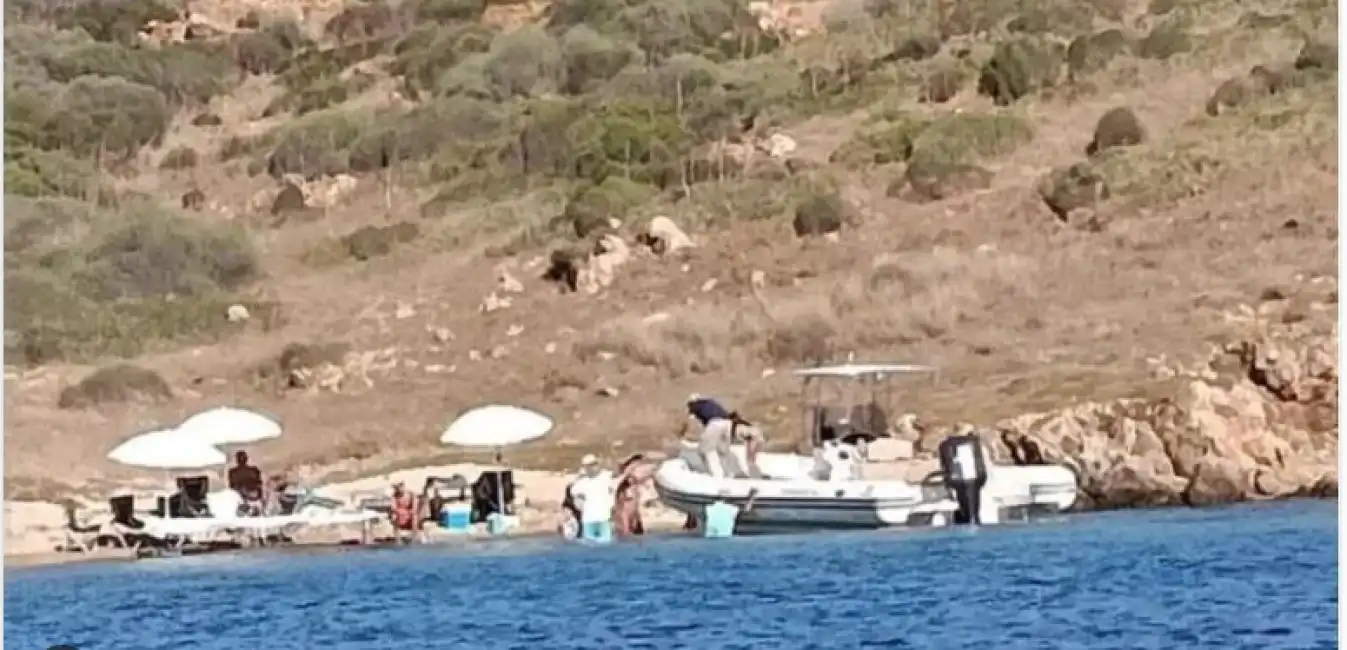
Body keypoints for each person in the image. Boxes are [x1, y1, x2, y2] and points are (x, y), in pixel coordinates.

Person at [568, 454, 617, 543]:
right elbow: (572, 491)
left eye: (593, 465)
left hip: (604, 519)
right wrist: (578, 476)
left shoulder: (605, 476)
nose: (591, 468)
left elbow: (617, 473)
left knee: (606, 545)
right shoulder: (582, 482)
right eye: (588, 466)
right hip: (588, 520)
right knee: (590, 546)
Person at [613, 454, 654, 537]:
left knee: (638, 534)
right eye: (632, 465)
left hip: (634, 513)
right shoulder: (622, 482)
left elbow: (643, 478)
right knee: (626, 534)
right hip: (625, 514)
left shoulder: (634, 479)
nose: (635, 467)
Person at [227, 451, 265, 516]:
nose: (242, 460)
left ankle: (257, 508)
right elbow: (232, 486)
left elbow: (259, 483)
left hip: (252, 493)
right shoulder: (233, 472)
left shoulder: (253, 470)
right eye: (240, 458)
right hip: (242, 494)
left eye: (243, 458)